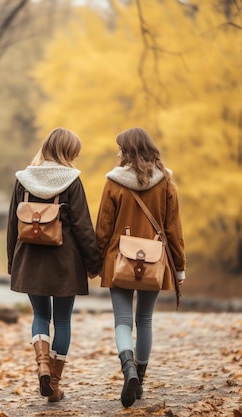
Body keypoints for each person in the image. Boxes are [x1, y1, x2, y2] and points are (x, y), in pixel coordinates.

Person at [7, 127, 101, 403]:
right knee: (62, 320)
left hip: (30, 258)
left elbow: (12, 223)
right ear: (68, 152)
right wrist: (94, 262)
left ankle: (42, 366)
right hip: (65, 261)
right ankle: (55, 385)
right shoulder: (72, 181)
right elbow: (83, 226)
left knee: (39, 316)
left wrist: (13, 260)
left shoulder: (22, 180)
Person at [95, 127, 186, 407]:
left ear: (128, 151)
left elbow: (103, 228)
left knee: (122, 321)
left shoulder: (113, 182)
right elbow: (174, 230)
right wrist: (179, 267)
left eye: (120, 148)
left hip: (118, 260)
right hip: (154, 260)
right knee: (144, 320)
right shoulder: (166, 182)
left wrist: (96, 262)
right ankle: (141, 379)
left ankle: (129, 369)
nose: (117, 152)